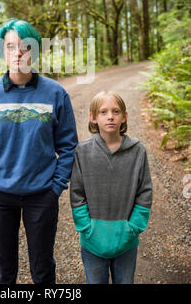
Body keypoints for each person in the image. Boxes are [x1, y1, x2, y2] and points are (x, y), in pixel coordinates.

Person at [0, 18, 78, 285]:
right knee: (3, 272)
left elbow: (69, 145)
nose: (18, 53)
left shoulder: (55, 93)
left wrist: (57, 185)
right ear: (2, 51)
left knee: (43, 270)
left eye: (26, 46)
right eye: (11, 46)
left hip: (42, 195)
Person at [70, 90, 153, 284]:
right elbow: (76, 193)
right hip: (92, 241)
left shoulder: (137, 150)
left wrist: (133, 227)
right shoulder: (82, 152)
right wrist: (86, 227)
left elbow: (145, 191)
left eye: (116, 111)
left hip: (126, 240)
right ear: (93, 117)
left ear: (124, 117)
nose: (110, 117)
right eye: (103, 112)